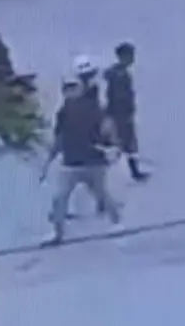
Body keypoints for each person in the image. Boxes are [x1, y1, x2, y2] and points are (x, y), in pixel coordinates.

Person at [39, 78, 123, 245]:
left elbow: (108, 127)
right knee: (60, 197)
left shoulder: (93, 108)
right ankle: (57, 233)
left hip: (94, 162)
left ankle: (117, 223)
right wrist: (49, 161)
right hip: (71, 163)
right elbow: (59, 138)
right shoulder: (63, 112)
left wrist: (114, 145)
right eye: (67, 89)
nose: (70, 92)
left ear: (80, 89)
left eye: (73, 88)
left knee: (102, 194)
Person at [104, 42, 150, 182]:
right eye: (130, 55)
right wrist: (126, 111)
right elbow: (119, 97)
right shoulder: (119, 75)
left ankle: (134, 171)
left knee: (125, 144)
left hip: (119, 114)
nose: (133, 58)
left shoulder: (118, 73)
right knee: (123, 144)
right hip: (120, 115)